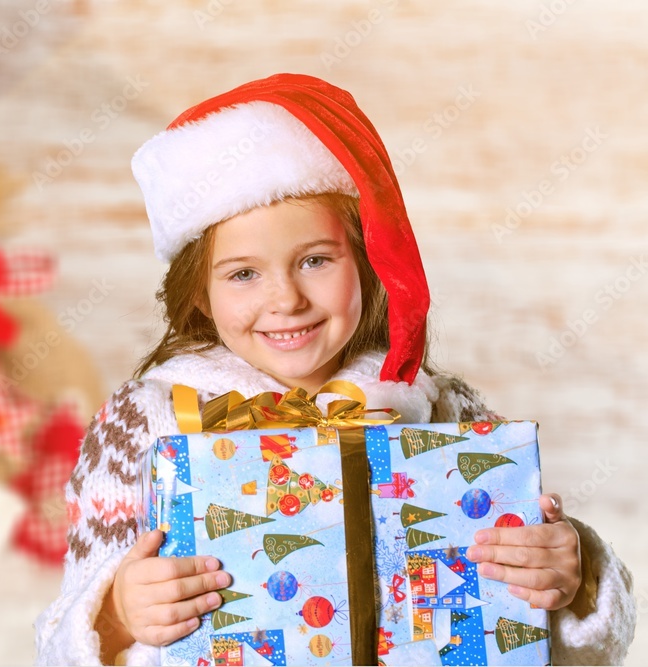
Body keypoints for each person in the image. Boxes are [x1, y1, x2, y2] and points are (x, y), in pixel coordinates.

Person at [33, 74, 636, 666]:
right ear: (197, 292)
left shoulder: (444, 409)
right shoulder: (143, 423)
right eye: (243, 273)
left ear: (371, 261)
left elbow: (577, 645)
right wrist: (116, 612)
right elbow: (61, 640)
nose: (286, 300)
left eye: (315, 261)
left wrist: (573, 572)